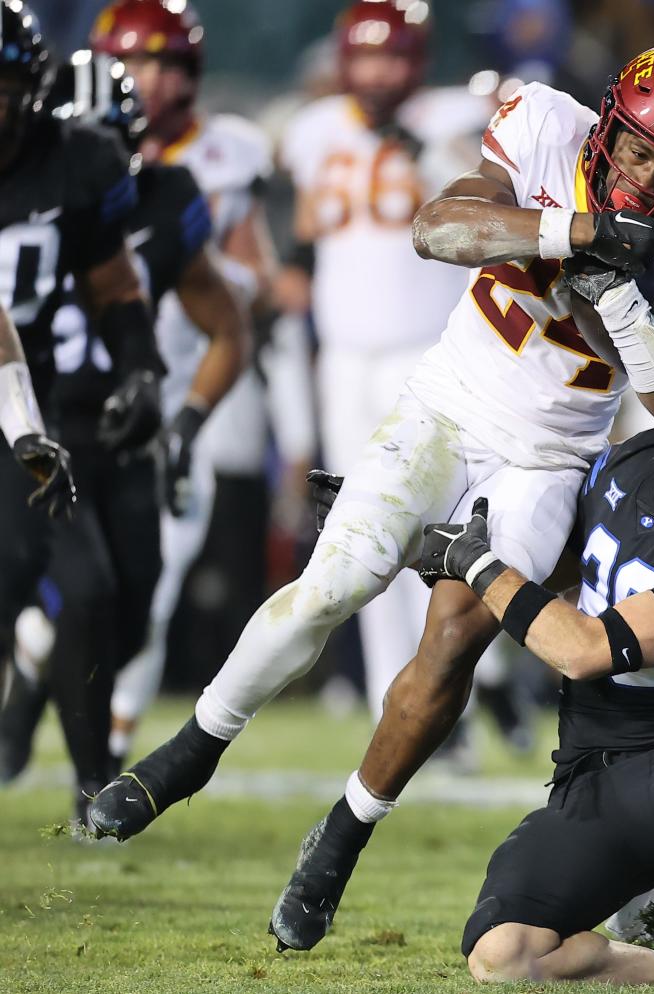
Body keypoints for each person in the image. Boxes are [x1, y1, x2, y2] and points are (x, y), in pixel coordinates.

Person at [89, 39, 654, 890]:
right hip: (448, 402)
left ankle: (341, 837)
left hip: (550, 455)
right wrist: (581, 231)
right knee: (332, 584)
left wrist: (624, 303)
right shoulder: (549, 126)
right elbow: (437, 227)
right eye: (636, 150)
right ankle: (192, 750)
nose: (648, 182)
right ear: (607, 126)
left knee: (455, 641)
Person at [295, 368, 654, 984]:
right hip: (590, 768)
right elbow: (543, 571)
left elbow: (582, 650)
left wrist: (474, 560)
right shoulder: (643, 458)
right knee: (502, 960)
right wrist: (401, 538)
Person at [0, 52, 249, 817]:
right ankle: (82, 770)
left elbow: (209, 321)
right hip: (43, 413)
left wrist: (171, 406)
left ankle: (47, 693)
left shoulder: (154, 198)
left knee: (131, 606)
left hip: (103, 423)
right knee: (83, 591)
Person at [88, 0, 314, 763]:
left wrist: (198, 268)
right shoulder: (65, 150)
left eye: (161, 62)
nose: (145, 79)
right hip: (79, 376)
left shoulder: (227, 153)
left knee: (160, 565)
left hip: (188, 376)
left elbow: (261, 277)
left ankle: (110, 738)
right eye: (130, 61)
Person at [279, 0, 495, 720]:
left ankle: (451, 694)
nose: (380, 70)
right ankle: (386, 697)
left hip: (428, 354)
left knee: (430, 528)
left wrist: (417, 145)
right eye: (368, 56)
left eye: (395, 55)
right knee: (356, 525)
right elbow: (310, 231)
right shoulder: (312, 129)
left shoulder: (447, 120)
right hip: (343, 356)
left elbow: (483, 205)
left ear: (419, 61)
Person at [0, 1, 163, 744]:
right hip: (33, 401)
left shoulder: (76, 161)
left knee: (94, 589)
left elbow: (115, 290)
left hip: (34, 405)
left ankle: (89, 772)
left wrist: (142, 372)